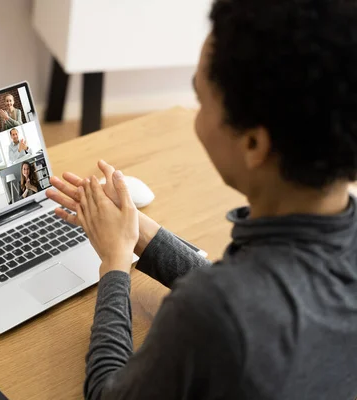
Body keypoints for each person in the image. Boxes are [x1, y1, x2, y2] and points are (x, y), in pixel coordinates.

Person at [47, 0, 357, 398]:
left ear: (253, 143)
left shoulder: (210, 312)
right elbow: (245, 294)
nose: (194, 115)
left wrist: (115, 263)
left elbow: (108, 394)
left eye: (201, 98)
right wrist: (142, 234)